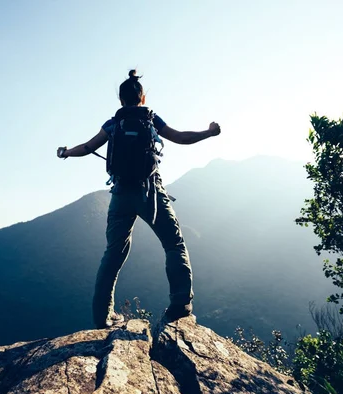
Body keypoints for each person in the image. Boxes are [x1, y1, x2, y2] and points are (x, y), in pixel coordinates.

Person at [57, 70, 221, 328]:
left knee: (113, 253)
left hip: (121, 194)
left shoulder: (113, 124)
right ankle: (181, 305)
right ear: (142, 98)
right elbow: (181, 137)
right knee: (173, 244)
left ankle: (103, 316)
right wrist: (209, 132)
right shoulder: (151, 119)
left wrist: (66, 152)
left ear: (121, 100)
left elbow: (88, 147)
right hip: (150, 192)